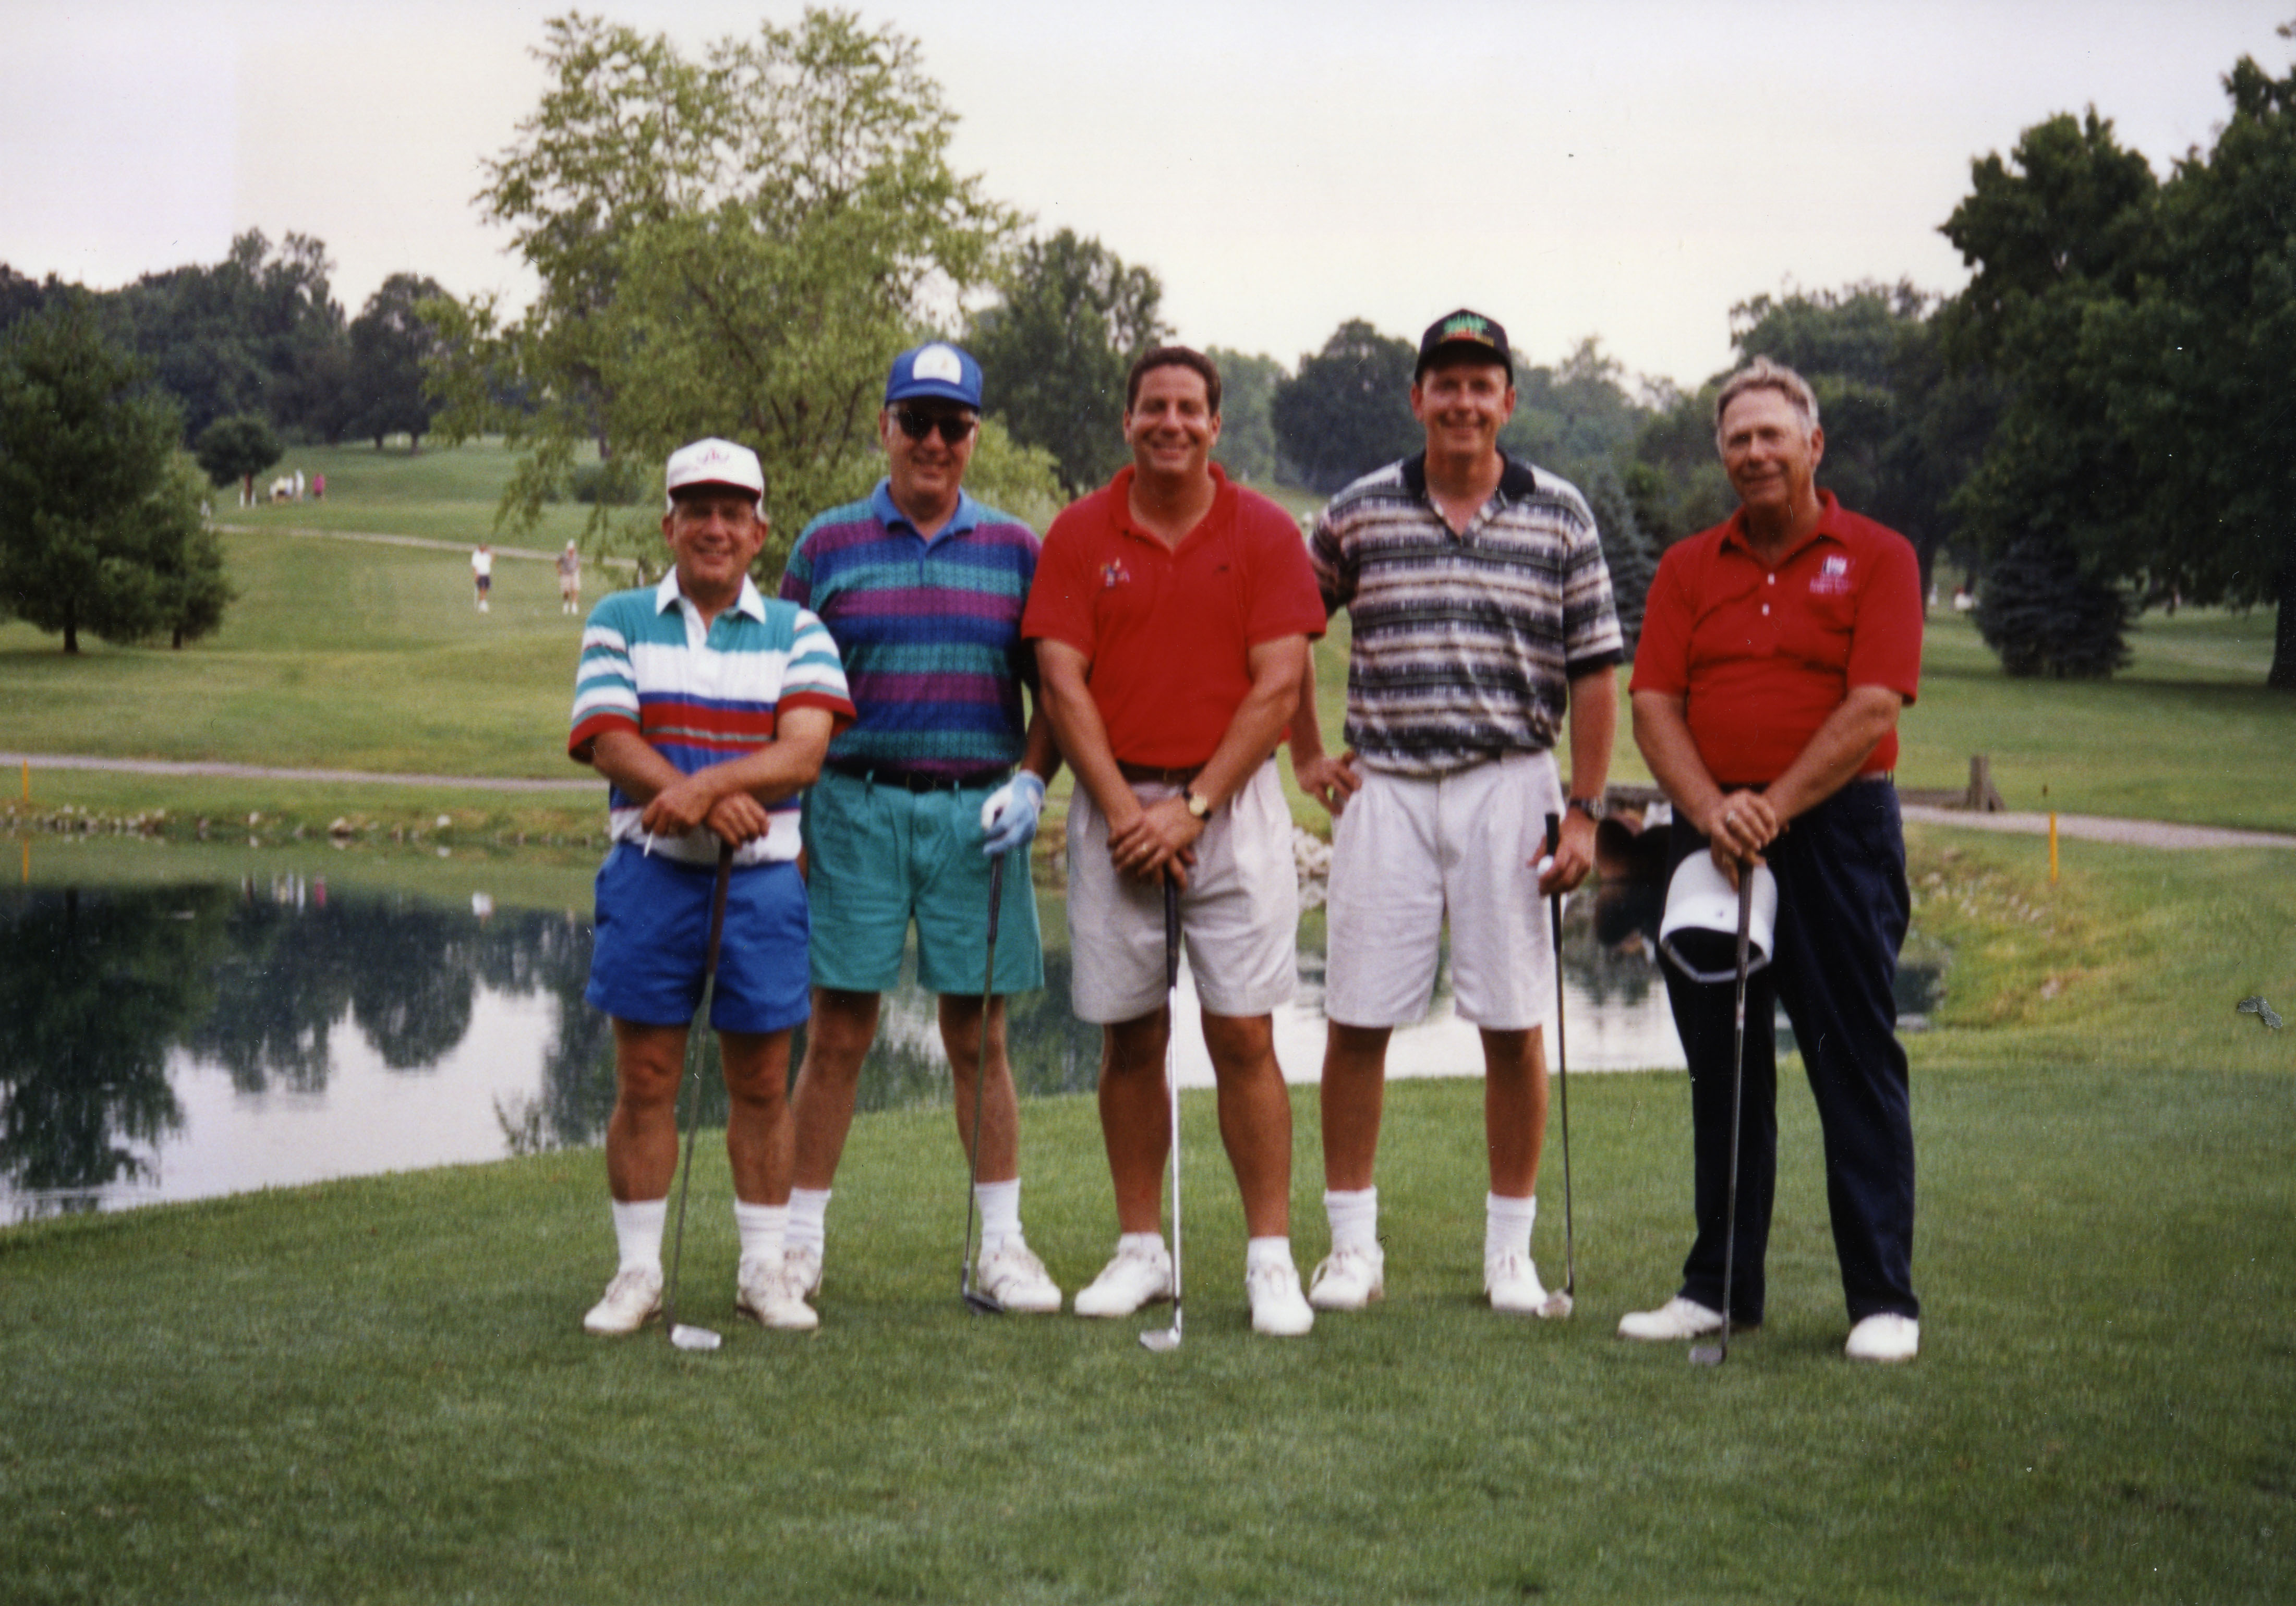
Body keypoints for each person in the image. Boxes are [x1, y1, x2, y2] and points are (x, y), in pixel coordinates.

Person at [1289, 310, 1622, 1317]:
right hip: (1384, 786)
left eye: (1482, 386)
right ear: (1418, 398)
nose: (1463, 403)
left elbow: (1595, 670)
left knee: (1513, 1023)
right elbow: (1287, 628)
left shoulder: (1559, 513)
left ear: (1507, 401)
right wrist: (1304, 750)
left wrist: (1585, 812)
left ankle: (1508, 1254)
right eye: (1446, 384)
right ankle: (1352, 1249)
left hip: (1510, 780)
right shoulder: (1359, 509)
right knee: (1356, 1016)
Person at [1621, 357, 1925, 1364]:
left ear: (1812, 446)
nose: (1753, 453)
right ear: (1721, 454)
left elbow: (1872, 704)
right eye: (1736, 439)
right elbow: (1653, 703)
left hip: (1837, 834)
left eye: (1771, 436)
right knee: (1723, 1065)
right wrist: (1715, 810)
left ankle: (1881, 1299)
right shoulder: (1687, 568)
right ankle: (1718, 1290)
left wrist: (1770, 808)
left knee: (1850, 1057)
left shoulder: (1877, 556)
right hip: (1709, 836)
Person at [1023, 346, 1326, 1337]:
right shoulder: (1079, 532)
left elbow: (1277, 684)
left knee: (1243, 1033)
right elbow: (1060, 681)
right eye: (1153, 407)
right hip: (1115, 804)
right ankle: (1140, 1249)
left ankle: (1270, 1257)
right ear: (1128, 421)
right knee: (1131, 1036)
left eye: (1189, 408)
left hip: (1228, 809)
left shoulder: (1265, 531)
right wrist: (1125, 813)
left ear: (1214, 424)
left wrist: (1190, 807)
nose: (1170, 423)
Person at [777, 343, 1064, 1315]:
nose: (933, 443)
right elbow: (783, 689)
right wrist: (791, 818)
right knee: (838, 1030)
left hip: (976, 814)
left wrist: (1031, 781)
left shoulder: (1017, 549)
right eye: (916, 422)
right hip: (853, 805)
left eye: (953, 426)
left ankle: (1003, 1247)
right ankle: (795, 1247)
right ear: (885, 427)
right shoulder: (825, 545)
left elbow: (1055, 693)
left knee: (979, 1035)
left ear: (973, 436)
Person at [569, 437, 856, 1337]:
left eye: (734, 513)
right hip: (651, 878)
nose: (716, 528)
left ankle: (763, 1271)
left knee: (762, 1082)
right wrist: (700, 798)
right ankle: (638, 1273)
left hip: (762, 886)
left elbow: (803, 751)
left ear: (760, 532)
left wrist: (704, 790)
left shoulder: (798, 631)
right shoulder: (619, 617)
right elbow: (608, 737)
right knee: (646, 1076)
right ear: (670, 524)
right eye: (698, 511)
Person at [557, 540, 583, 615]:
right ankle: (566, 605)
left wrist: (578, 571)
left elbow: (578, 563)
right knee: (566, 591)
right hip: (566, 574)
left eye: (573, 549)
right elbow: (558, 562)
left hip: (574, 574)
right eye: (570, 549)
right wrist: (559, 570)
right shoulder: (564, 555)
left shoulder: (576, 555)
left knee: (575, 590)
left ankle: (574, 607)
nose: (571, 551)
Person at [471, 543, 493, 613]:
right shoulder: (476, 555)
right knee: (482, 589)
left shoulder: (487, 554)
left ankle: (483, 603)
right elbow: (474, 565)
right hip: (480, 574)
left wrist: (490, 553)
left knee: (485, 589)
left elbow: (493, 560)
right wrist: (476, 575)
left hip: (486, 574)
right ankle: (483, 605)